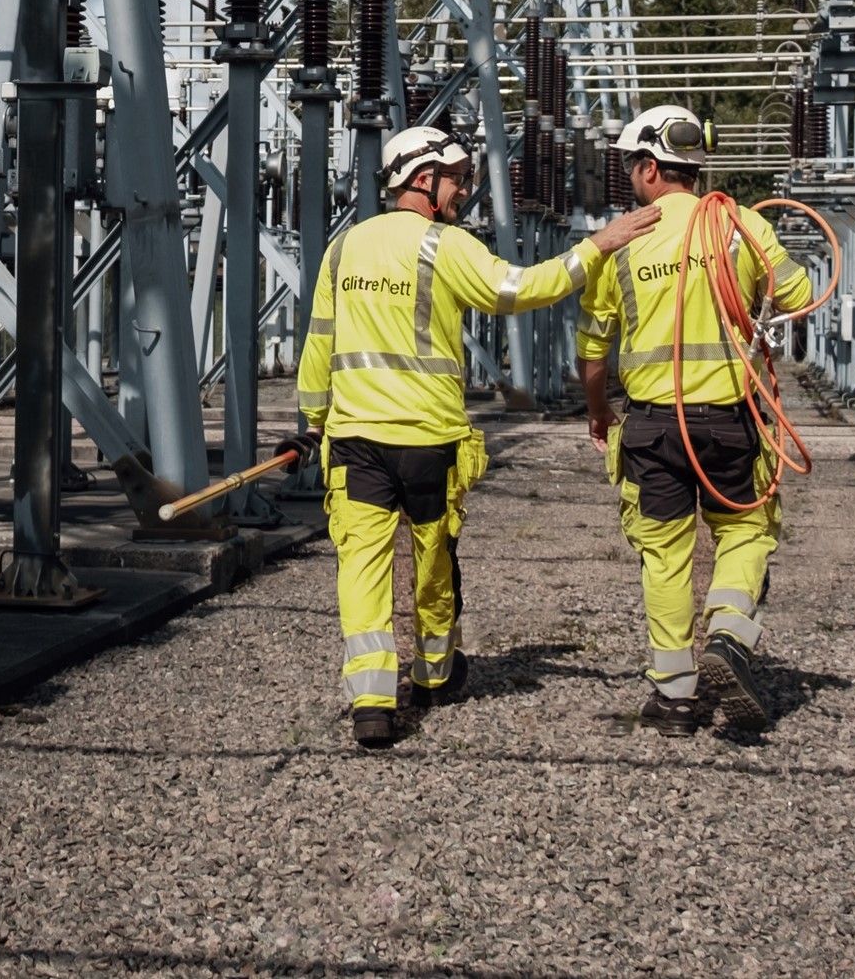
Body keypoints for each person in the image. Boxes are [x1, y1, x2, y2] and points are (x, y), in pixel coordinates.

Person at [280, 125, 658, 748]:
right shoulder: (442, 245)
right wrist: (599, 246)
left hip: (353, 441)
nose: (463, 191)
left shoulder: (344, 250)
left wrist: (313, 421)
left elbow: (319, 342)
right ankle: (435, 671)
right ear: (423, 180)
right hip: (428, 440)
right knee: (433, 559)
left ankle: (372, 702)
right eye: (456, 179)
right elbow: (521, 288)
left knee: (362, 568)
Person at [578, 104, 816, 733]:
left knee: (664, 555)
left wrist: (600, 410)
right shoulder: (738, 225)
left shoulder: (623, 241)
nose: (632, 176)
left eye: (633, 165)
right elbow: (798, 296)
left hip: (654, 425)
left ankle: (675, 697)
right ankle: (730, 640)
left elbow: (594, 349)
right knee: (746, 532)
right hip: (730, 421)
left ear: (651, 167)